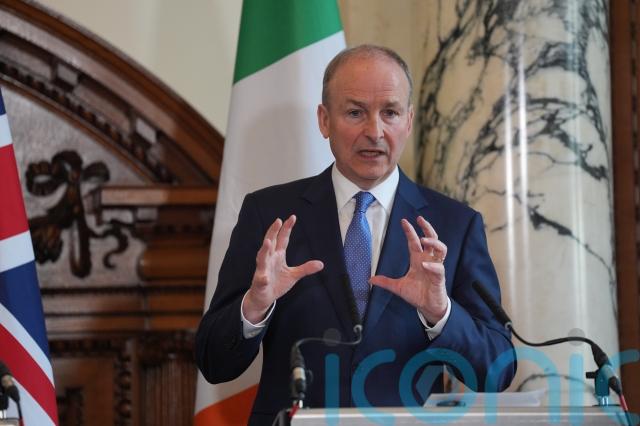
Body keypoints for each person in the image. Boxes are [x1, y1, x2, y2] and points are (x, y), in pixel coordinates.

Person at [196, 45, 515, 425]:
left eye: (390, 113)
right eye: (355, 112)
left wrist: (440, 312)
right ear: (324, 120)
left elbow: (496, 372)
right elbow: (214, 362)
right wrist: (254, 306)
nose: (374, 131)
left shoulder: (454, 225)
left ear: (409, 121)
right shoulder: (269, 215)